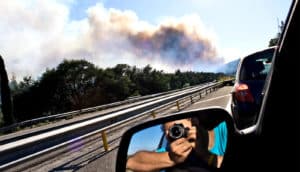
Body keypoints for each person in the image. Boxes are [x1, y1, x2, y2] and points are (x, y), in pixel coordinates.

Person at [126, 118, 227, 172]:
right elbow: (132, 162)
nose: (169, 135)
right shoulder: (171, 151)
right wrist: (171, 159)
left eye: (176, 128)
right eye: (166, 132)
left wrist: (206, 155)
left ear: (194, 122)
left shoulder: (224, 130)